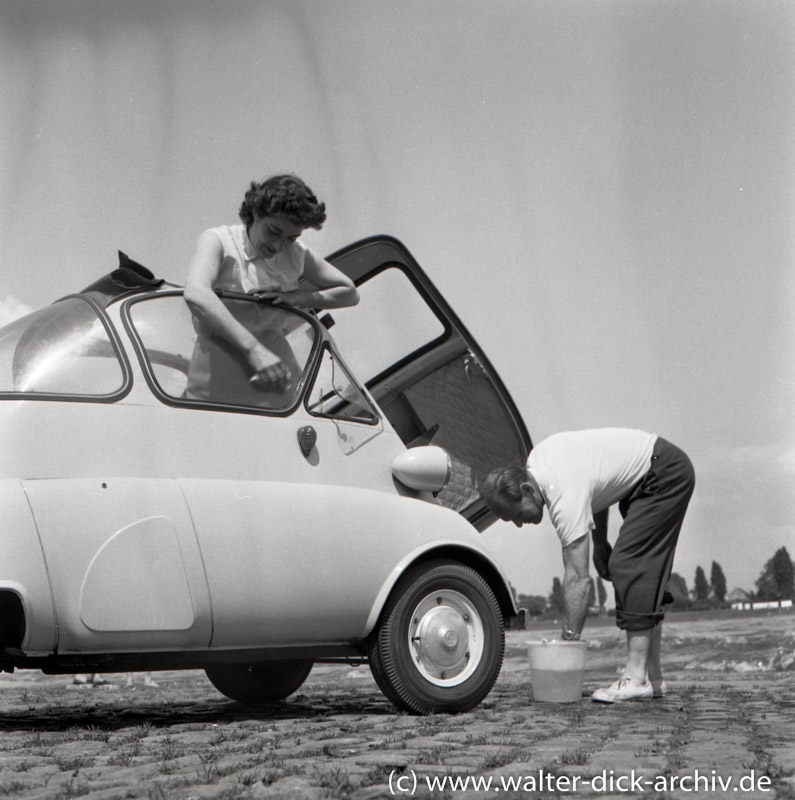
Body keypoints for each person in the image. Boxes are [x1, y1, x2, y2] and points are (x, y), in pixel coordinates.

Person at [482, 428, 695, 703]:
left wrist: (567, 647)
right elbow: (595, 486)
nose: (519, 524)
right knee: (641, 568)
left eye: (516, 515)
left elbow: (577, 579)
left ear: (525, 489)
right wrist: (601, 542)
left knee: (630, 564)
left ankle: (635, 678)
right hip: (655, 470)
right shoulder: (539, 464)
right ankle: (653, 677)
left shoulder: (560, 492)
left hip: (664, 473)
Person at [183, 174, 359, 401]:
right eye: (274, 232)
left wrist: (296, 298)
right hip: (215, 372)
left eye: (291, 238)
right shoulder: (218, 240)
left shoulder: (297, 255)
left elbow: (350, 293)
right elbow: (196, 294)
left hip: (277, 374)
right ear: (256, 213)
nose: (279, 245)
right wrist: (253, 350)